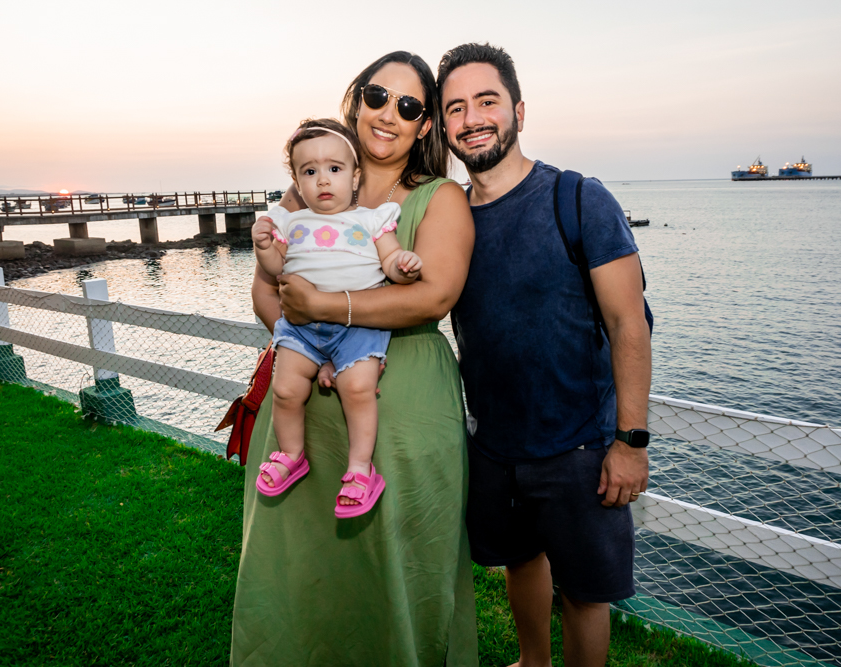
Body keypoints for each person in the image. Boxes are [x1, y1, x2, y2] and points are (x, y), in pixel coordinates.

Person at [231, 52, 478, 666]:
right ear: (355, 100)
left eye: (409, 106)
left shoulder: (438, 198)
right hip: (306, 400)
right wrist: (307, 348)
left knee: (399, 565)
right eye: (376, 96)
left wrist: (327, 305)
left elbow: (435, 295)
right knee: (303, 571)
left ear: (425, 127)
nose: (388, 114)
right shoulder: (308, 187)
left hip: (403, 406)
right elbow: (268, 289)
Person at [439, 43, 652, 666]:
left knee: (585, 594)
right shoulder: (447, 219)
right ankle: (533, 662)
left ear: (519, 111)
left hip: (580, 448)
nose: (473, 117)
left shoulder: (579, 199)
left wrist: (629, 442)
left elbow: (629, 325)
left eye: (487, 100)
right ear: (445, 125)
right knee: (519, 561)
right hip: (494, 444)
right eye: (456, 107)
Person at [253, 118, 423, 517]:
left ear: (355, 176)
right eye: (309, 172)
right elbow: (277, 268)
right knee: (286, 390)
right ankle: (292, 454)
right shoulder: (291, 222)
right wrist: (263, 247)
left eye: (334, 169)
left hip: (358, 326)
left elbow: (390, 263)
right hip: (301, 329)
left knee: (358, 389)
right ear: (297, 181)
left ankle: (362, 469)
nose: (323, 180)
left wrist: (404, 264)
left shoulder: (371, 219)